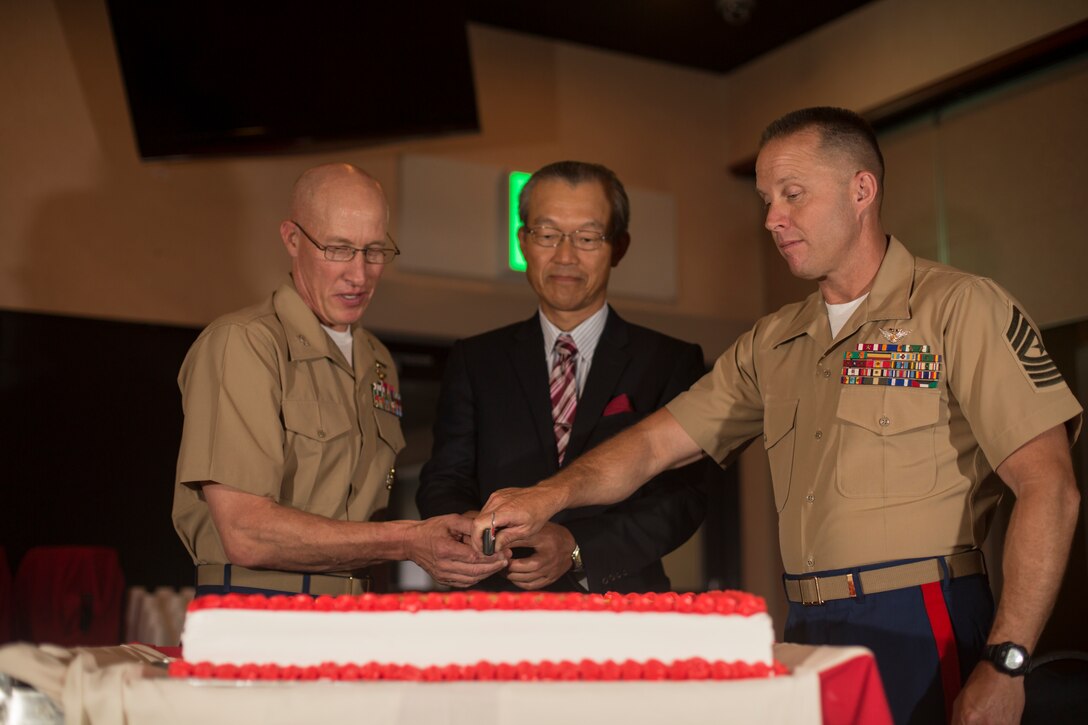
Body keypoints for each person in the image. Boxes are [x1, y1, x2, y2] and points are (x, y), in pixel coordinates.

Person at [471, 109, 1082, 725]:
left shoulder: (958, 307)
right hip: (807, 624)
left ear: (861, 190)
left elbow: (1049, 487)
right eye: (766, 199)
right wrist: (545, 497)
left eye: (793, 195)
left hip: (923, 618)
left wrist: (1007, 660)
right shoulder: (774, 341)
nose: (771, 219)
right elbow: (655, 446)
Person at [172, 163, 506, 597]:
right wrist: (408, 540)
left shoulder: (377, 360)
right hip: (255, 608)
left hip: (353, 608)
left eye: (374, 250)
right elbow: (246, 533)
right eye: (338, 249)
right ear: (292, 239)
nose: (359, 274)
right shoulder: (244, 344)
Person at [417, 160, 710, 593]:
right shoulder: (475, 359)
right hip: (498, 603)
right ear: (524, 241)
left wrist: (578, 548)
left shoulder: (670, 360)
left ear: (619, 246)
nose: (565, 256)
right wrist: (491, 542)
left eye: (588, 237)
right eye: (547, 234)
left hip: (622, 605)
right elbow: (445, 481)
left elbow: (681, 498)